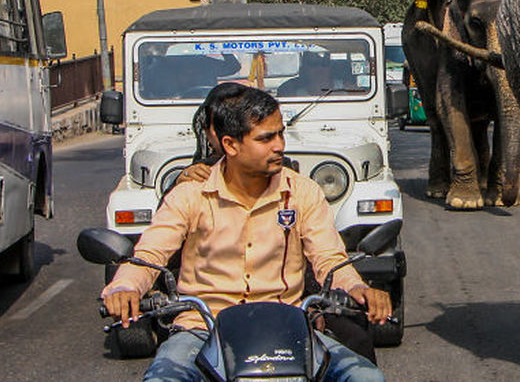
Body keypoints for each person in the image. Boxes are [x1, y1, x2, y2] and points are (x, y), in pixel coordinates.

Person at [102, 87, 390, 382]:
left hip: (286, 326)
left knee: (367, 378)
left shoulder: (303, 192)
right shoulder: (189, 195)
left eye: (280, 134)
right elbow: (151, 253)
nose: (279, 146)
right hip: (202, 329)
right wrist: (125, 287)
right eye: (265, 138)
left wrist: (358, 288)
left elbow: (329, 258)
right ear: (230, 144)